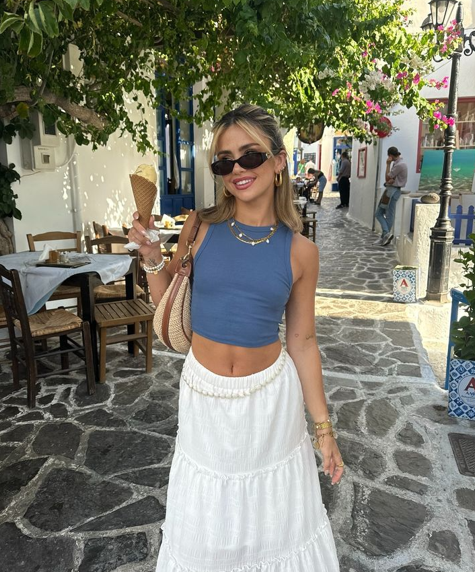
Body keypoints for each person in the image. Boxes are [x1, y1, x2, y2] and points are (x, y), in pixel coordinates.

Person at [129, 104, 343, 571]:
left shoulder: (301, 252)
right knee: (206, 521)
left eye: (250, 155)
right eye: (224, 162)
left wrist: (323, 428)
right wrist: (150, 256)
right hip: (204, 394)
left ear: (279, 160)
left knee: (273, 522)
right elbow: (169, 304)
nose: (238, 170)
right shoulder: (199, 227)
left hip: (269, 401)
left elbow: (303, 342)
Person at [375, 146, 408, 246]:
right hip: (394, 190)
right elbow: (389, 179)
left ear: (390, 155)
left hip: (392, 191)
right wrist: (390, 180)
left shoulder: (399, 165)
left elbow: (387, 178)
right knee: (388, 214)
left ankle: (386, 234)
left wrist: (387, 164)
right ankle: (385, 237)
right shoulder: (399, 163)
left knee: (380, 213)